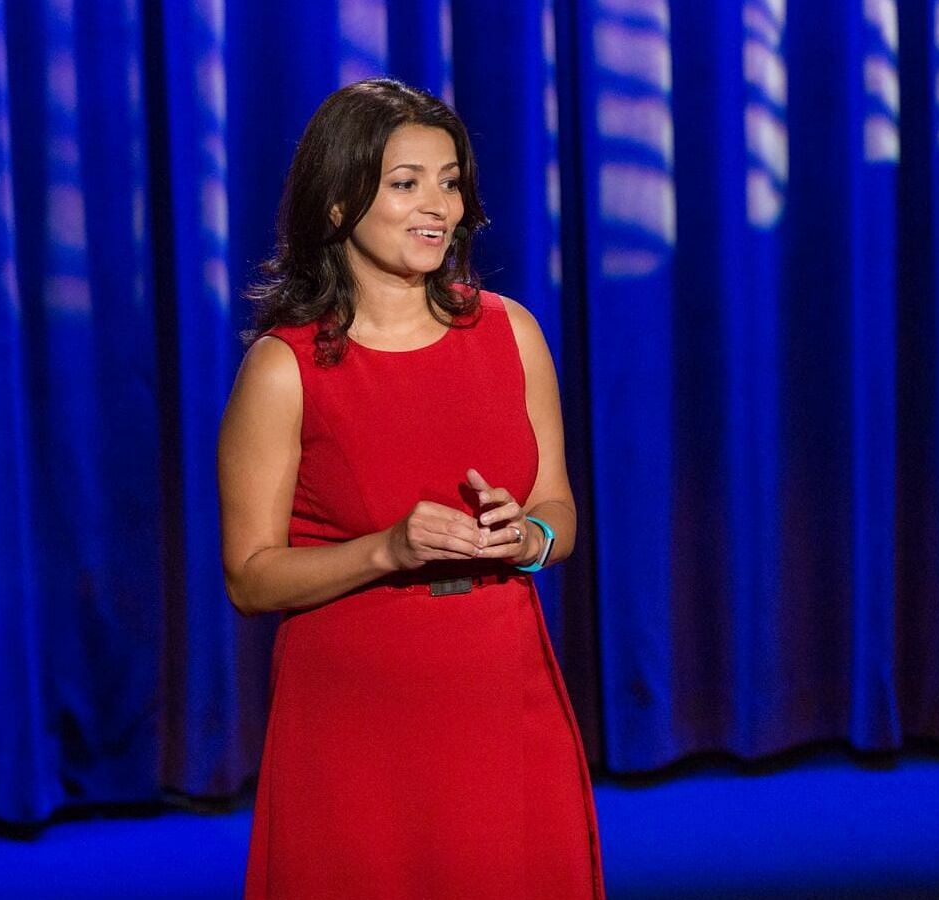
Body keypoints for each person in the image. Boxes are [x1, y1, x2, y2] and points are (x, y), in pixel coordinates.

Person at [218, 78, 603, 899]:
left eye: (450, 180)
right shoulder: (283, 370)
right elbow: (250, 577)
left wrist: (527, 539)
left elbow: (559, 511)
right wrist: (386, 549)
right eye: (406, 182)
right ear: (336, 203)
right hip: (357, 715)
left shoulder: (512, 331)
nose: (440, 205)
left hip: (503, 691)